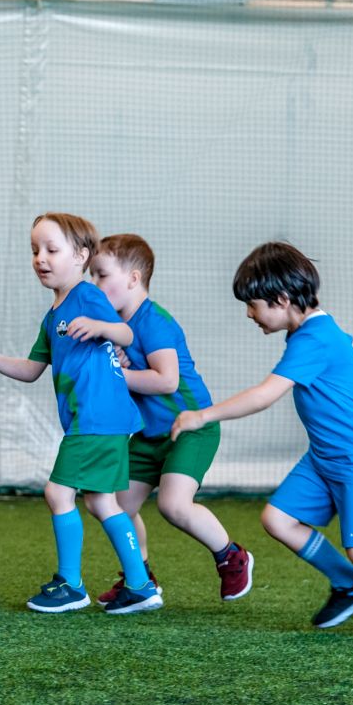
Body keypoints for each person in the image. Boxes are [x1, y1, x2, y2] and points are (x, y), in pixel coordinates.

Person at [171, 241, 353, 643]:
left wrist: (202, 415)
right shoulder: (320, 327)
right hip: (323, 458)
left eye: (252, 305)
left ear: (282, 300)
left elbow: (265, 395)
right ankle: (351, 584)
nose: (249, 314)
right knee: (277, 520)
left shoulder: (311, 340)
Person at [0, 213, 161, 615]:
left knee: (58, 493)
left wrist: (100, 326)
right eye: (35, 250)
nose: (40, 258)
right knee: (101, 502)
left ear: (80, 256)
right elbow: (32, 369)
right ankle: (140, 585)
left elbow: (127, 334)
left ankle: (71, 584)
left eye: (51, 249)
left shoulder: (87, 295)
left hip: (97, 418)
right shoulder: (53, 316)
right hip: (101, 420)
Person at [90, 234, 254, 603]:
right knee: (113, 505)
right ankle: (139, 577)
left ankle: (232, 556)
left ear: (133, 278)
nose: (95, 284)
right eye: (92, 276)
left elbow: (167, 381)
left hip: (191, 428)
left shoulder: (154, 322)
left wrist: (118, 373)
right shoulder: (111, 328)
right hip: (148, 435)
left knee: (173, 505)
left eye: (102, 275)